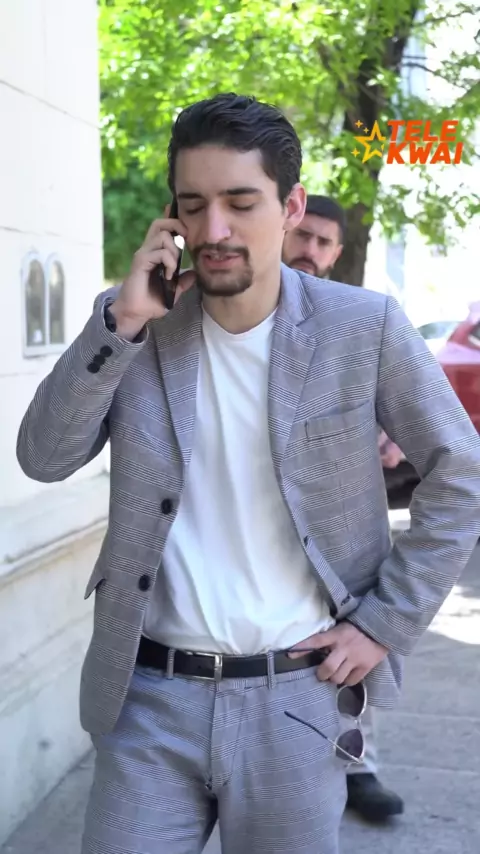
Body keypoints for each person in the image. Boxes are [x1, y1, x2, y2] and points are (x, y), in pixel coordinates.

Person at [16, 93, 480, 854]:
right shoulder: (135, 323)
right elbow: (43, 455)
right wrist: (122, 325)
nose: (214, 231)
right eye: (193, 205)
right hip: (148, 699)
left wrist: (384, 623)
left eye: (240, 202)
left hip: (297, 700)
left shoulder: (363, 326)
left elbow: (461, 472)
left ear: (290, 207)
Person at [282, 195, 405, 822]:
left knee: (352, 640)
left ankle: (360, 765)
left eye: (325, 242)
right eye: (304, 235)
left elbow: (405, 415)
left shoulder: (360, 320)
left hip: (341, 521)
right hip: (266, 525)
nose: (312, 250)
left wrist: (392, 433)